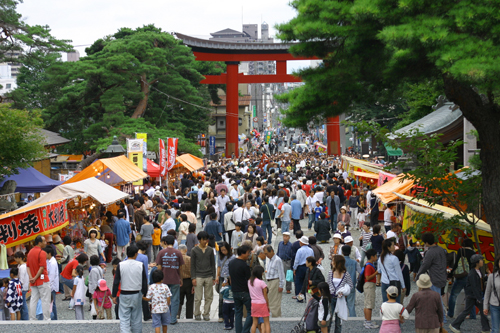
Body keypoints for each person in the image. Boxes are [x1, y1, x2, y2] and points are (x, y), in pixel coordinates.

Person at [450, 254, 491, 333]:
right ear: (477, 262)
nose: (482, 261)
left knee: (482, 311)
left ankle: (486, 328)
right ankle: (454, 325)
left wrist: (487, 277)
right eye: (481, 260)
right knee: (467, 311)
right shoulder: (472, 273)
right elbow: (474, 286)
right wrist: (479, 298)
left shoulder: (478, 271)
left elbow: (480, 282)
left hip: (475, 295)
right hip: (472, 296)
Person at [112, 245, 149, 333]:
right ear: (136, 254)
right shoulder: (140, 265)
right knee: (136, 317)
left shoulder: (121, 265)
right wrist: (145, 292)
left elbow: (116, 281)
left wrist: (114, 295)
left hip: (124, 293)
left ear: (126, 253)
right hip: (137, 293)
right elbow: (144, 281)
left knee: (124, 317)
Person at [416, 233, 447, 322]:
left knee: (437, 299)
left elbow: (425, 265)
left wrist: (418, 275)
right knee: (436, 297)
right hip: (442, 275)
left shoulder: (430, 252)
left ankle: (442, 319)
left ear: (426, 242)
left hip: (435, 277)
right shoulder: (441, 249)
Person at [155, 235, 183, 324]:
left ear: (165, 242)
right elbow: (181, 267)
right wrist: (181, 278)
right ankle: (173, 319)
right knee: (175, 299)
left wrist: (158, 280)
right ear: (174, 242)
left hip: (164, 280)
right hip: (175, 279)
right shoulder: (178, 253)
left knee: (162, 299)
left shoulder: (161, 252)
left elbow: (159, 267)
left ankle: (163, 318)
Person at [190, 231, 216, 321]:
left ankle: (206, 313)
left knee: (209, 297)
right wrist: (193, 277)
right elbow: (192, 265)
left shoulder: (210, 250)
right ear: (199, 240)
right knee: (198, 297)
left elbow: (213, 264)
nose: (205, 241)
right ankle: (197, 313)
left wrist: (214, 277)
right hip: (198, 276)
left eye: (206, 239)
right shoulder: (194, 250)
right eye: (204, 239)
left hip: (209, 275)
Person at [447, 238, 476, 319]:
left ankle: (450, 313)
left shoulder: (461, 251)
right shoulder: (473, 253)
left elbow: (456, 264)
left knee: (453, 295)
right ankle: (472, 315)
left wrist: (451, 274)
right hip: (470, 276)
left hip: (461, 276)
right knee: (469, 296)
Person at [228, 244, 252, 333]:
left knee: (238, 313)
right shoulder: (244, 265)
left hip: (235, 290)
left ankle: (238, 331)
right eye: (248, 253)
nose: (249, 254)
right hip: (244, 291)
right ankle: (245, 331)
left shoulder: (231, 263)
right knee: (251, 311)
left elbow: (230, 277)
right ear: (243, 253)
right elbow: (249, 280)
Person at [26, 235, 51, 320]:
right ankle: (46, 318)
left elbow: (28, 266)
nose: (45, 242)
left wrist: (31, 277)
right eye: (44, 241)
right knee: (45, 299)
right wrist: (35, 277)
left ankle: (32, 318)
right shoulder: (42, 253)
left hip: (33, 280)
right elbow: (42, 268)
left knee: (33, 299)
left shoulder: (30, 252)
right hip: (42, 279)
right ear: (39, 243)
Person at [328, 255, 353, 333]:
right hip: (331, 298)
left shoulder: (346, 274)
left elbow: (351, 285)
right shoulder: (330, 273)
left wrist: (344, 292)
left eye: (333, 261)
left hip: (340, 299)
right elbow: (328, 283)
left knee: (338, 321)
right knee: (328, 319)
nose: (331, 263)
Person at [378, 239, 405, 303]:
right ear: (388, 247)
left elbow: (379, 270)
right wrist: (403, 285)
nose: (394, 246)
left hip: (384, 282)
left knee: (385, 303)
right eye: (393, 245)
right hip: (394, 282)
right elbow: (399, 273)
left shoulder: (380, 258)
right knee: (396, 303)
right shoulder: (394, 258)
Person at [263, 245, 285, 317]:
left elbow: (281, 273)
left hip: (275, 281)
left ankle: (277, 317)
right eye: (265, 254)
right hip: (269, 281)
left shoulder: (277, 260)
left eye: (267, 253)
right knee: (269, 300)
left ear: (271, 251)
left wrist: (281, 285)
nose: (266, 255)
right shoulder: (270, 260)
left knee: (275, 301)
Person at [217, 242, 235, 323]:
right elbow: (219, 266)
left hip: (230, 279)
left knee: (230, 297)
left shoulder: (233, 257)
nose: (223, 251)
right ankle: (221, 315)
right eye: (222, 250)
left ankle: (230, 315)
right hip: (221, 278)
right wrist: (217, 276)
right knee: (221, 297)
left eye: (224, 250)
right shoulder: (220, 256)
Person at [248, 266, 270, 333]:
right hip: (262, 303)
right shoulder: (261, 282)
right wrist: (267, 305)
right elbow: (265, 295)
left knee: (254, 323)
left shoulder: (249, 282)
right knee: (266, 322)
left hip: (254, 303)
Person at [293, 236, 315, 300]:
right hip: (309, 267)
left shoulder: (299, 250)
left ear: (302, 243)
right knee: (308, 282)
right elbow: (313, 258)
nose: (299, 242)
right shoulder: (311, 250)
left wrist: (295, 269)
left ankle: (300, 297)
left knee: (299, 283)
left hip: (300, 267)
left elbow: (296, 261)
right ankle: (309, 295)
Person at [362, 249, 379, 329]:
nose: (376, 257)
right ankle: (368, 322)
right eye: (375, 256)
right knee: (369, 304)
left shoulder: (368, 264)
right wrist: (376, 272)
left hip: (367, 285)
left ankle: (367, 320)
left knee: (366, 303)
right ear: (372, 257)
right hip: (369, 285)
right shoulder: (369, 266)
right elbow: (368, 277)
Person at [342, 245, 360, 317]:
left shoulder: (340, 262)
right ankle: (353, 318)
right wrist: (357, 279)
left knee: (342, 303)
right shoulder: (354, 262)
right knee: (351, 304)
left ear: (342, 252)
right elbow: (360, 271)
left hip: (341, 285)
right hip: (351, 284)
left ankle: (343, 317)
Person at [484, 256, 500, 333]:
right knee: (495, 329)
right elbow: (487, 292)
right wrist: (485, 307)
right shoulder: (492, 276)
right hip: (494, 305)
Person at [43, 246, 59, 320]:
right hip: (50, 285)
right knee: (52, 303)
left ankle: (53, 318)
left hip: (51, 286)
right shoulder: (48, 260)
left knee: (52, 303)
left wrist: (47, 287)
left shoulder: (52, 263)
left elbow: (51, 277)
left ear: (49, 254)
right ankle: (53, 318)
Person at [178, 244, 194, 320]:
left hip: (179, 281)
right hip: (189, 281)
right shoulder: (190, 259)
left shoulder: (177, 259)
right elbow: (193, 272)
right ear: (186, 250)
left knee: (178, 300)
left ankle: (177, 314)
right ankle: (189, 316)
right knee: (190, 300)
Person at [13, 252, 29, 320]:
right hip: (22, 287)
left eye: (16, 258)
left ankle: (25, 318)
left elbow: (21, 280)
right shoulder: (20, 266)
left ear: (20, 258)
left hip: (22, 287)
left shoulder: (22, 267)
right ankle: (23, 318)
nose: (15, 259)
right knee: (22, 303)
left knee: (23, 304)